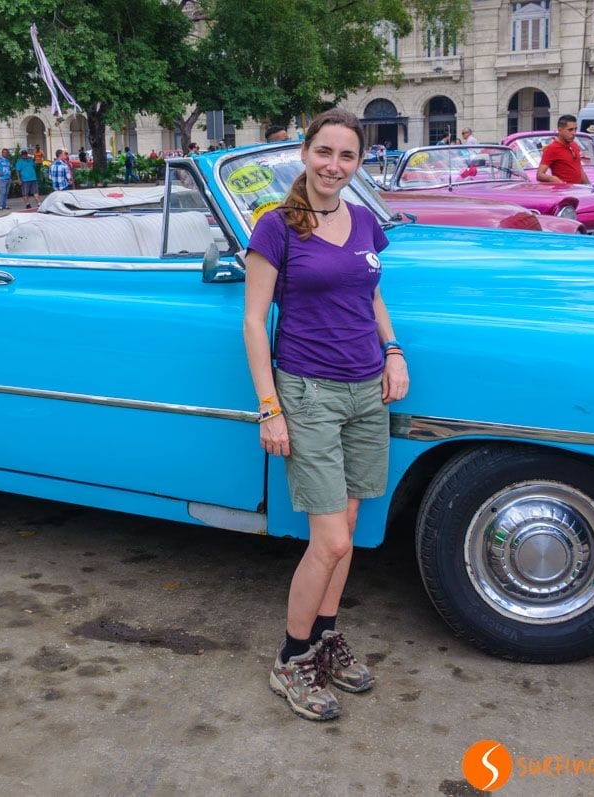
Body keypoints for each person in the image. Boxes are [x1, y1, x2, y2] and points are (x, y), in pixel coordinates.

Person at [243, 107, 409, 722]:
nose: (333, 166)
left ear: (358, 164)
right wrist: (269, 408)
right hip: (308, 392)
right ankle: (291, 658)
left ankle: (325, 637)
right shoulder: (277, 227)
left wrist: (393, 351)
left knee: (349, 535)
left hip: (368, 390)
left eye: (346, 156)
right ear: (305, 154)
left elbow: (370, 292)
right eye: (324, 153)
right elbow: (255, 323)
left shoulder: (363, 220)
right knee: (330, 538)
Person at [536, 114, 589, 185]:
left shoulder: (575, 145)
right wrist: (552, 178)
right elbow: (539, 175)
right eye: (570, 130)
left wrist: (589, 186)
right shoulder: (552, 148)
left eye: (575, 129)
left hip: (578, 190)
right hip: (563, 192)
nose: (574, 133)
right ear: (560, 130)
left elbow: (580, 170)